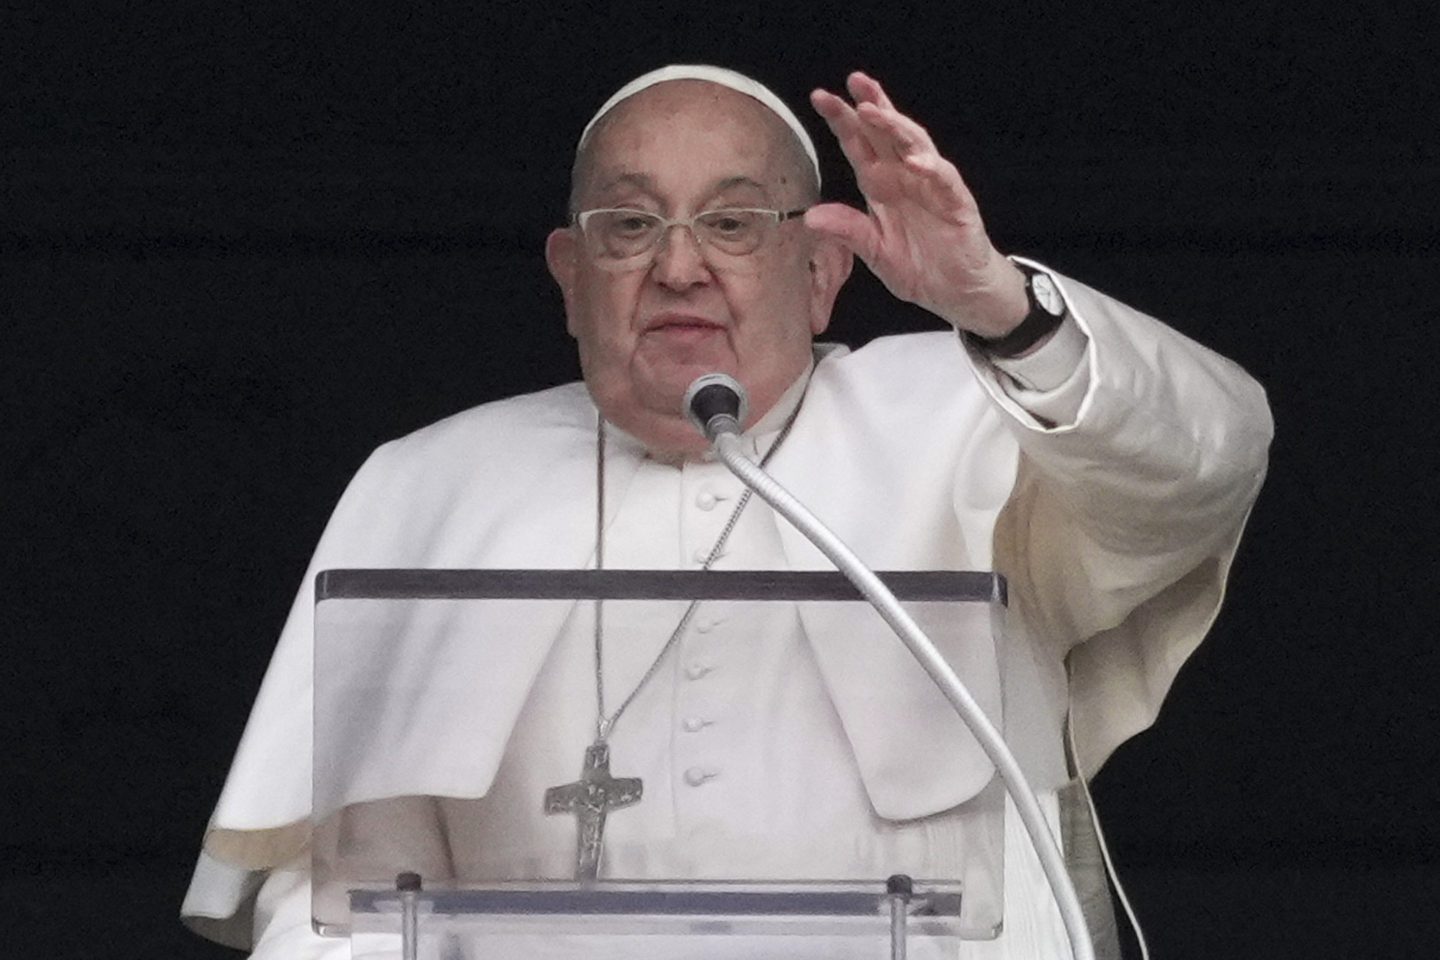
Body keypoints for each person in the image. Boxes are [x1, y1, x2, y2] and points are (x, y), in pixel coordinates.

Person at [181, 65, 1272, 959]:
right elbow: (343, 904)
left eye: (735, 224)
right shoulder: (426, 486)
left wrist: (1001, 308)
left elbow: (1210, 459)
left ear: (821, 270)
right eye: (628, 224)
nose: (679, 266)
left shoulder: (970, 416)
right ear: (570, 275)